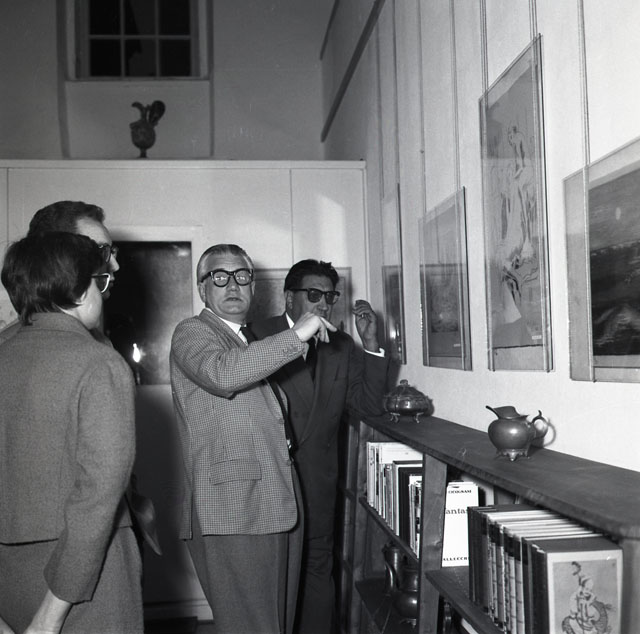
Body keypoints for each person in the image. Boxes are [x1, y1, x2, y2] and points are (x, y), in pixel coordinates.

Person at [170, 244, 336, 634]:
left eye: (242, 276)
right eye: (219, 277)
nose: (232, 285)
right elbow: (224, 374)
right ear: (202, 288)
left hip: (273, 502)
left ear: (253, 287)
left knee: (276, 625)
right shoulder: (192, 332)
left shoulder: (243, 339)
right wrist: (297, 334)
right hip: (234, 509)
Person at [0, 232, 142, 634]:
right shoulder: (99, 363)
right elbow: (98, 495)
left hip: (9, 575)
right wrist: (50, 615)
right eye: (101, 281)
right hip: (82, 581)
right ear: (80, 291)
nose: (104, 292)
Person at [249, 259, 389, 634]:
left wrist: (370, 344)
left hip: (318, 486)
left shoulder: (340, 345)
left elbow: (368, 406)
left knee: (317, 575)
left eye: (330, 296)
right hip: (270, 485)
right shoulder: (255, 338)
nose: (324, 304)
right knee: (272, 582)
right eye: (314, 294)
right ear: (288, 298)